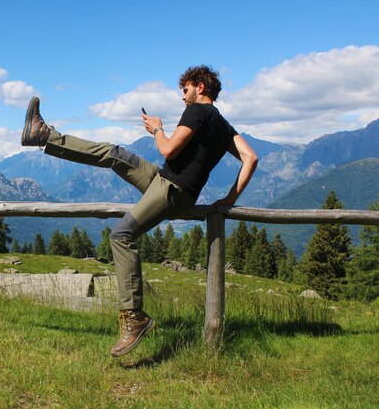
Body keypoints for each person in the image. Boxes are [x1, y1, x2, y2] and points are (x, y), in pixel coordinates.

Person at [21, 65, 258, 357]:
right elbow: (251, 157)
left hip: (172, 189)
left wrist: (157, 129)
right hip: (167, 182)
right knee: (114, 154)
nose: (183, 97)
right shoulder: (224, 126)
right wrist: (229, 198)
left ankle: (134, 318)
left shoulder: (198, 111)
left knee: (122, 235)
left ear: (200, 86)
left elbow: (169, 150)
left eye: (185, 90)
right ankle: (45, 136)